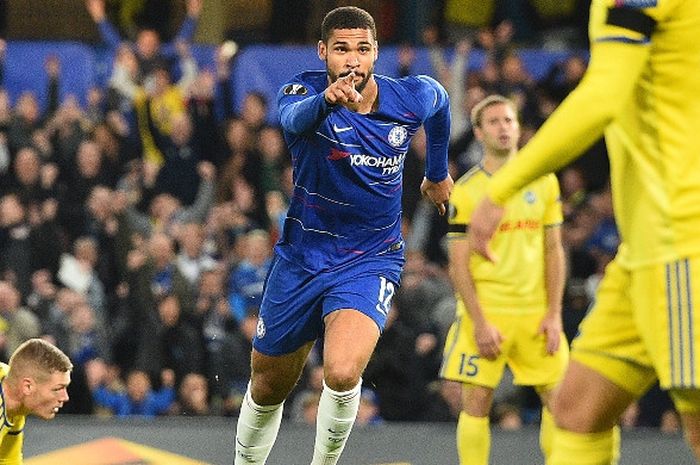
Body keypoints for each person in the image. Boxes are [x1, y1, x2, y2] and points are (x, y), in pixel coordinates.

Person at [468, 1, 700, 463]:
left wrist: (504, 187)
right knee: (577, 411)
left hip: (683, 243)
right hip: (645, 252)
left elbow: (603, 98)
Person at [233, 6, 453, 465]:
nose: (352, 60)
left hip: (370, 259)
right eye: (341, 49)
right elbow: (292, 121)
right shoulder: (303, 91)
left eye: (362, 49)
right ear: (323, 52)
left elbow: (440, 104)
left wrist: (436, 173)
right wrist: (328, 101)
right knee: (268, 383)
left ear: (375, 52)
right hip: (301, 259)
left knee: (342, 369)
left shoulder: (409, 96)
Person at [439, 95, 567, 465]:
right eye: (493, 122)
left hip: (536, 312)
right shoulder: (465, 191)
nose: (504, 128)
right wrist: (478, 321)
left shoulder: (544, 182)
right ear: (478, 133)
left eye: (509, 120)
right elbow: (458, 264)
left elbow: (554, 251)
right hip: (487, 312)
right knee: (477, 402)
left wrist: (554, 313)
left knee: (559, 401)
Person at [0, 338, 72, 462]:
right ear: (27, 386)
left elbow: (7, 460)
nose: (65, 397)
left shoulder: (14, 402)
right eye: (57, 389)